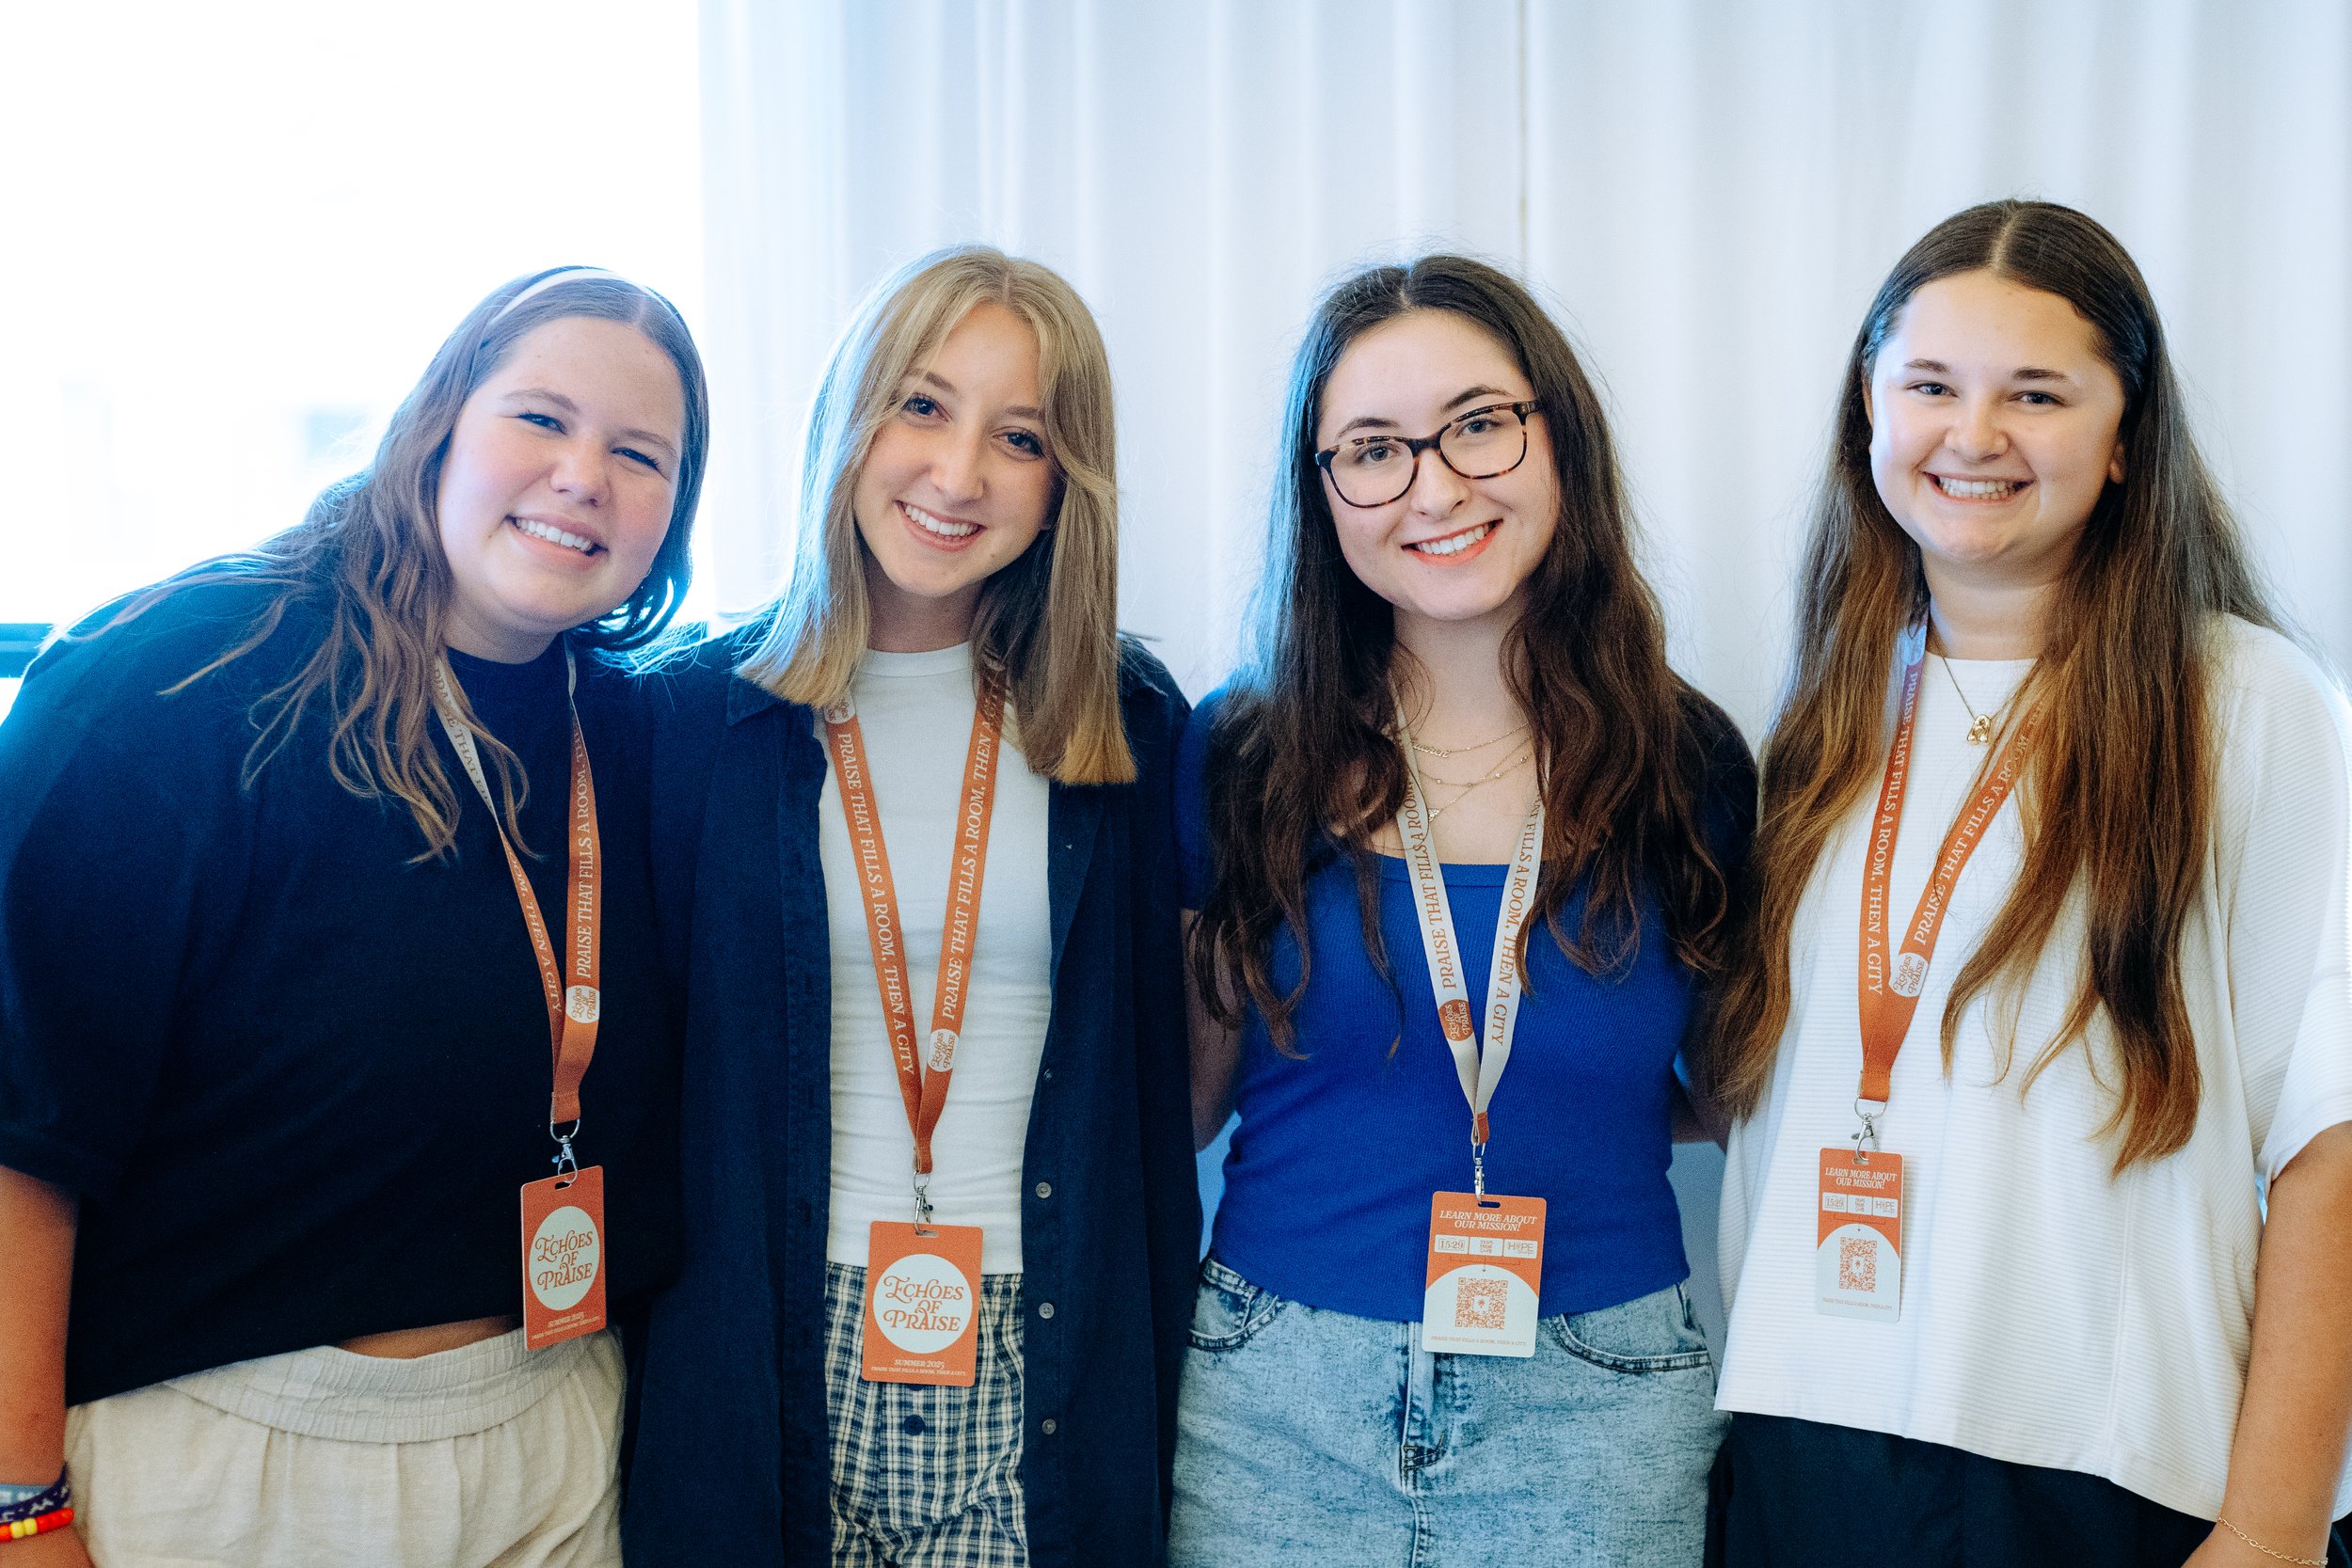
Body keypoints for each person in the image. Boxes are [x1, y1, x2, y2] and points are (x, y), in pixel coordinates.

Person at [0, 266, 707, 1568]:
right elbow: (19, 1139)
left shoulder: (644, 730)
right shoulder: (174, 684)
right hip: (224, 1453)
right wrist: (20, 1508)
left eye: (641, 453)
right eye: (541, 419)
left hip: (557, 1433)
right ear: (435, 423)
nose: (584, 477)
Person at [1705, 199, 2352, 1568]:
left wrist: (2276, 1529)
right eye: (1930, 385)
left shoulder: (2247, 706)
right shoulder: (1824, 721)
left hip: (2100, 1473)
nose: (1974, 435)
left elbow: (2333, 1142)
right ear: (1868, 417)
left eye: (2037, 394)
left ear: (2127, 442)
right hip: (1804, 1448)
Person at [1169, 255, 1753, 1568]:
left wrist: (1551, 1092)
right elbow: (1190, 1099)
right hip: (1277, 1398)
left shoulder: (1689, 764)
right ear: (1321, 495)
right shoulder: (1240, 754)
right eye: (1373, 449)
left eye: (1481, 423)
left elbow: (1726, 1087)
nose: (1435, 487)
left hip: (1598, 1397)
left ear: (1562, 435)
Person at [622, 245, 1197, 1567]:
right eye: (922, 407)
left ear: (1066, 487)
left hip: (1039, 1328)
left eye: (1022, 437)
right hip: (768, 1335)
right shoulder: (690, 720)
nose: (958, 475)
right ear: (850, 417)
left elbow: (1174, 1079)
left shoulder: (1132, 728)